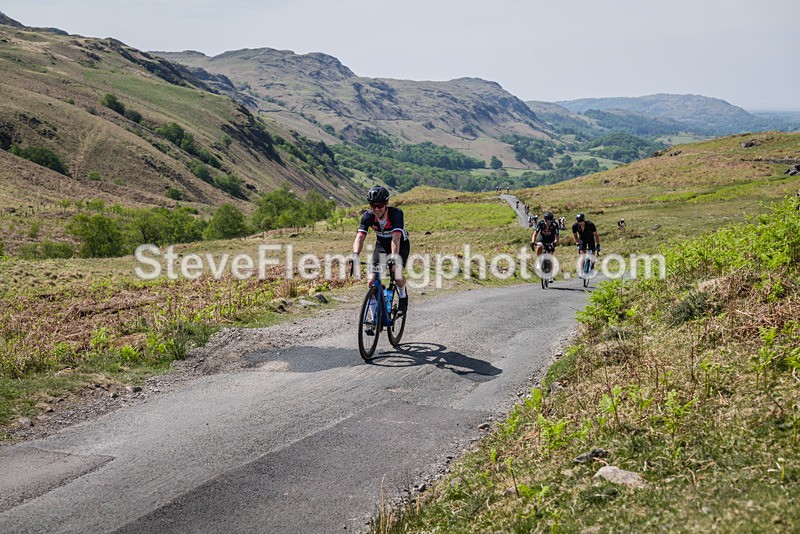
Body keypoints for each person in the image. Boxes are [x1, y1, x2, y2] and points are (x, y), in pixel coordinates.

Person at [351, 186, 409, 314]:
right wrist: (355, 254)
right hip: (382, 245)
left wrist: (394, 259)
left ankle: (403, 296)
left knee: (396, 272)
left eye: (380, 205)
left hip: (400, 244)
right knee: (371, 281)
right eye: (373, 205)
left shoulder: (396, 214)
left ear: (386, 204)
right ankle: (372, 318)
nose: (376, 209)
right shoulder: (368, 217)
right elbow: (360, 237)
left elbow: (396, 238)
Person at [531, 211, 559, 282]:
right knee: (539, 247)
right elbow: (535, 233)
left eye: (550, 220)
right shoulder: (541, 223)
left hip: (550, 240)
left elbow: (556, 236)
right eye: (547, 220)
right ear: (544, 219)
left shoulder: (555, 224)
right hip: (542, 238)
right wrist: (533, 241)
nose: (548, 222)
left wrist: (555, 242)